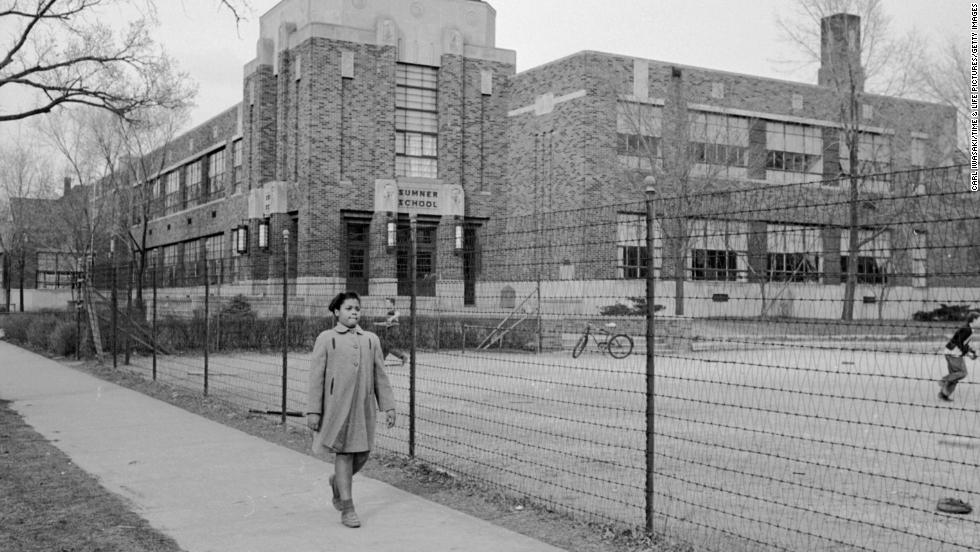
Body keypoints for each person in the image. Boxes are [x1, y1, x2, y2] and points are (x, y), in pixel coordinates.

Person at [306, 291, 396, 528]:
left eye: (357, 308)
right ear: (337, 312)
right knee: (344, 453)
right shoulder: (326, 338)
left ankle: (337, 481)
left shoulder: (371, 340)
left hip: (363, 408)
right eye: (348, 308)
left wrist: (388, 406)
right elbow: (316, 377)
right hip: (337, 409)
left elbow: (380, 376)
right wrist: (313, 410)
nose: (354, 312)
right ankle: (348, 507)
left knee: (363, 453)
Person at [937, 310, 980, 402]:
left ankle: (943, 395)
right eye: (979, 320)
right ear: (974, 320)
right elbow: (959, 342)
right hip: (954, 354)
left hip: (952, 353)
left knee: (955, 376)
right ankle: (944, 380)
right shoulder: (967, 330)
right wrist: (968, 353)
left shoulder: (969, 329)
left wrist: (971, 351)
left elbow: (963, 343)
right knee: (962, 373)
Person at [380, 297, 408, 365]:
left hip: (393, 331)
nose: (386, 304)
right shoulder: (388, 311)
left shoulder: (393, 310)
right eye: (385, 302)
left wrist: (392, 318)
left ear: (392, 304)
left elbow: (398, 313)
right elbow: (388, 323)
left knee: (389, 347)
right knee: (385, 346)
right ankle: (381, 361)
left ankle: (403, 356)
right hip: (390, 330)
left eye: (387, 303)